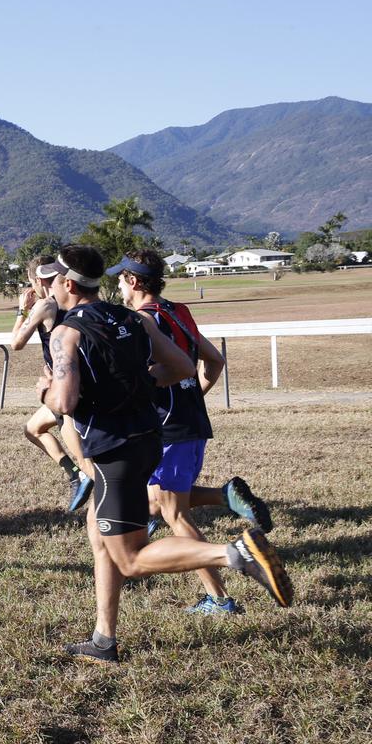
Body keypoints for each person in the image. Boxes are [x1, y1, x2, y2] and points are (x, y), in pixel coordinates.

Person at [36, 245, 293, 663]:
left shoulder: (68, 333)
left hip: (113, 452)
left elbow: (63, 404)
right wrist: (141, 383)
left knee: (131, 558)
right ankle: (104, 639)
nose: (47, 290)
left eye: (50, 284)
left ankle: (237, 555)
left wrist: (43, 388)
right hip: (147, 439)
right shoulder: (134, 319)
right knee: (99, 537)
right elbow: (183, 368)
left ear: (67, 284)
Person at [110, 249, 274, 615]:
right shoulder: (177, 311)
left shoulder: (140, 322)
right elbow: (213, 360)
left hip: (168, 430)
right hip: (191, 423)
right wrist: (191, 395)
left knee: (175, 514)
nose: (117, 284)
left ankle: (220, 598)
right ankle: (225, 496)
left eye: (120, 278)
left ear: (133, 281)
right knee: (157, 500)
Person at [11, 255, 93, 511]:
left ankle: (144, 505)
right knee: (33, 429)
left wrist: (22, 309)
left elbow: (16, 343)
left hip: (62, 384)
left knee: (86, 459)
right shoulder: (74, 300)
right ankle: (75, 475)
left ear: (36, 280)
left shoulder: (46, 305)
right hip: (78, 377)